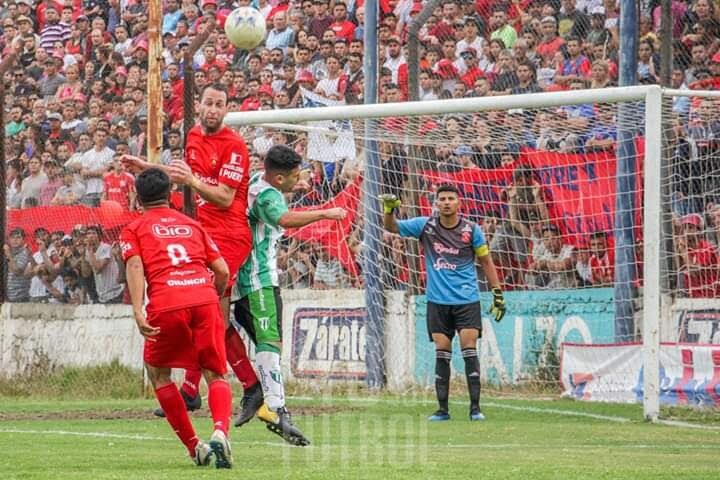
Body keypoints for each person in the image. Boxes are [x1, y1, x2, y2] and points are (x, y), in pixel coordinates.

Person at [121, 83, 260, 420]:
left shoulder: (235, 146)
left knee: (211, 314)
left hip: (229, 234)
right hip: (202, 230)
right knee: (202, 311)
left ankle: (251, 387)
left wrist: (194, 183)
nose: (213, 110)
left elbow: (225, 198)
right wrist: (146, 167)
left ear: (227, 109)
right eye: (208, 103)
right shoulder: (195, 135)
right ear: (199, 106)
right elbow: (184, 177)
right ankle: (191, 391)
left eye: (219, 105)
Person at [120, 168, 234, 468]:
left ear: (138, 197)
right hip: (204, 298)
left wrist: (137, 309)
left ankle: (195, 446)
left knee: (158, 373)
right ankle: (221, 432)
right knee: (216, 373)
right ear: (169, 194)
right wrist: (212, 294)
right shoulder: (192, 225)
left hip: (167, 302)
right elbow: (222, 270)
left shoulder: (135, 228)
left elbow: (134, 267)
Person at [233, 144, 346, 443]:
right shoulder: (270, 196)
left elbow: (275, 194)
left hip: (240, 278)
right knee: (269, 344)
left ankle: (257, 391)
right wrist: (326, 212)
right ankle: (275, 408)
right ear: (279, 178)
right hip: (259, 280)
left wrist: (296, 185)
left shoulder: (258, 180)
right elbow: (283, 219)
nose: (299, 180)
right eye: (294, 177)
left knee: (256, 340)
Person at [381, 184, 506, 421]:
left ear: (459, 203)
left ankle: (475, 408)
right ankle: (442, 410)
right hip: (437, 301)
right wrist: (389, 210)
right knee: (442, 351)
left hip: (467, 299)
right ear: (436, 203)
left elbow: (486, 261)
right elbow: (392, 227)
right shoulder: (425, 226)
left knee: (469, 348)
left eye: (451, 198)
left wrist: (498, 293)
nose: (447, 202)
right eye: (443, 199)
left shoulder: (472, 230)